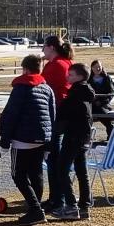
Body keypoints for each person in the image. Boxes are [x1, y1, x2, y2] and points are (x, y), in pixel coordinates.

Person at [0, 54, 59, 225]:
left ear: (25, 69)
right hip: (42, 137)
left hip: (22, 138)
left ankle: (35, 208)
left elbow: (11, 115)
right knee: (36, 173)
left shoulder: (20, 87)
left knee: (18, 174)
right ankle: (36, 206)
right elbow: (52, 116)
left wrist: (5, 140)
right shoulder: (47, 89)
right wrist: (49, 143)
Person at [56, 62, 98, 215]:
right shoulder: (86, 92)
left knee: (61, 170)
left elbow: (64, 113)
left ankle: (71, 205)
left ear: (80, 77)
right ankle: (85, 206)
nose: (68, 76)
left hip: (73, 135)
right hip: (84, 136)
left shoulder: (76, 94)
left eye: (71, 74)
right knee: (82, 171)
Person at [40, 37, 74, 211]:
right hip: (65, 115)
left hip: (57, 115)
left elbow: (41, 86)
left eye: (44, 47)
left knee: (54, 159)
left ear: (51, 48)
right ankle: (56, 197)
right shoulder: (67, 62)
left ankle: (57, 198)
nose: (42, 50)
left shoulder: (56, 65)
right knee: (56, 158)